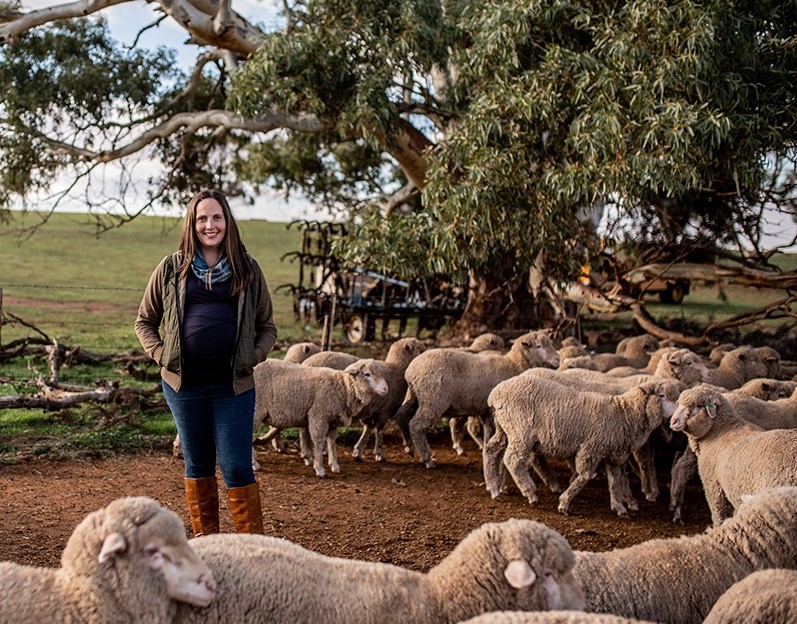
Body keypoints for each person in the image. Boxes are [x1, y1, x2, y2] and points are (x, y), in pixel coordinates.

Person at [135, 188, 277, 536]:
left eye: (217, 217)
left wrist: (252, 357)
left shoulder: (247, 268)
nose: (209, 225)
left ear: (227, 222)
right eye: (202, 218)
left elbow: (267, 327)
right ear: (192, 224)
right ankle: (207, 547)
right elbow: (144, 321)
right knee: (198, 464)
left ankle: (252, 553)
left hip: (233, 387)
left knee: (237, 466)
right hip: (185, 387)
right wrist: (162, 355)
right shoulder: (172, 268)